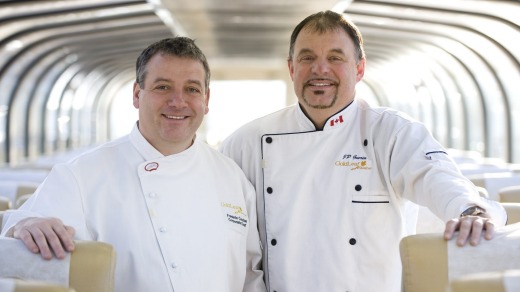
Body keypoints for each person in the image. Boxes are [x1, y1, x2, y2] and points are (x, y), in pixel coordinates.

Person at [219, 10, 508, 292]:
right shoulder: (246, 142)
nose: (320, 69)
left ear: (359, 69)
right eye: (307, 58)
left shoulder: (392, 132)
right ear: (292, 68)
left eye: (335, 57)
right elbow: (229, 237)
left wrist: (470, 210)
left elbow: (436, 175)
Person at [1, 37, 266, 292]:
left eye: (192, 89)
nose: (178, 101)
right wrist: (25, 224)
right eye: (163, 87)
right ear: (137, 94)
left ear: (206, 100)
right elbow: (22, 227)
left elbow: (251, 276)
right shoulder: (82, 175)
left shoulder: (232, 177)